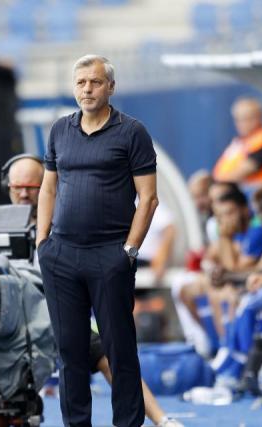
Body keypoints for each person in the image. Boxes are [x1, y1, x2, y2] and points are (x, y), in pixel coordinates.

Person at [0, 154, 181, 426]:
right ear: (6, 187)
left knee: (110, 351)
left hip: (54, 313)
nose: (23, 194)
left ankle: (162, 420)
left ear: (47, 185)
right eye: (16, 187)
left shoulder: (67, 224)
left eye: (31, 188)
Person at [36, 54, 158, 427]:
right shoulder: (59, 129)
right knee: (70, 353)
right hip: (62, 255)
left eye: (95, 82)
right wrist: (43, 242)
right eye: (81, 83)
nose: (87, 89)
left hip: (110, 256)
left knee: (120, 351)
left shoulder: (131, 131)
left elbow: (148, 198)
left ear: (110, 87)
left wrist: (129, 252)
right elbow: (48, 187)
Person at [212, 97, 262, 190]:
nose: (240, 124)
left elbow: (247, 169)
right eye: (238, 119)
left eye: (246, 119)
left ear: (259, 118)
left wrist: (218, 184)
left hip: (252, 194)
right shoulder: (242, 141)